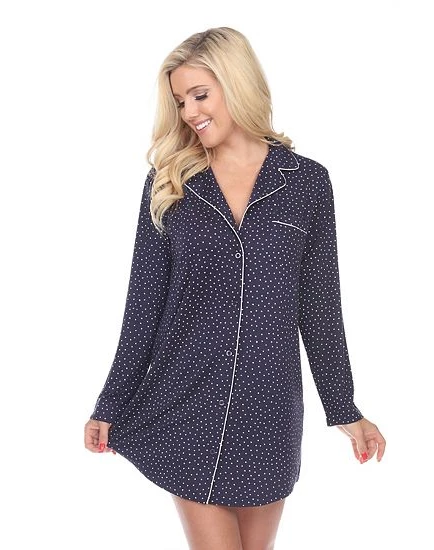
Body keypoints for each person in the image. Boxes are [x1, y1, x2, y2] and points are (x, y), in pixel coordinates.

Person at [84, 26, 386, 550]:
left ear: (238, 83)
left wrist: (345, 408)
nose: (189, 112)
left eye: (200, 95)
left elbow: (319, 306)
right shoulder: (170, 183)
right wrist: (110, 401)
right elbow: (143, 305)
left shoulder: (306, 183)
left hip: (269, 412)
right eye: (180, 101)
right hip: (186, 405)